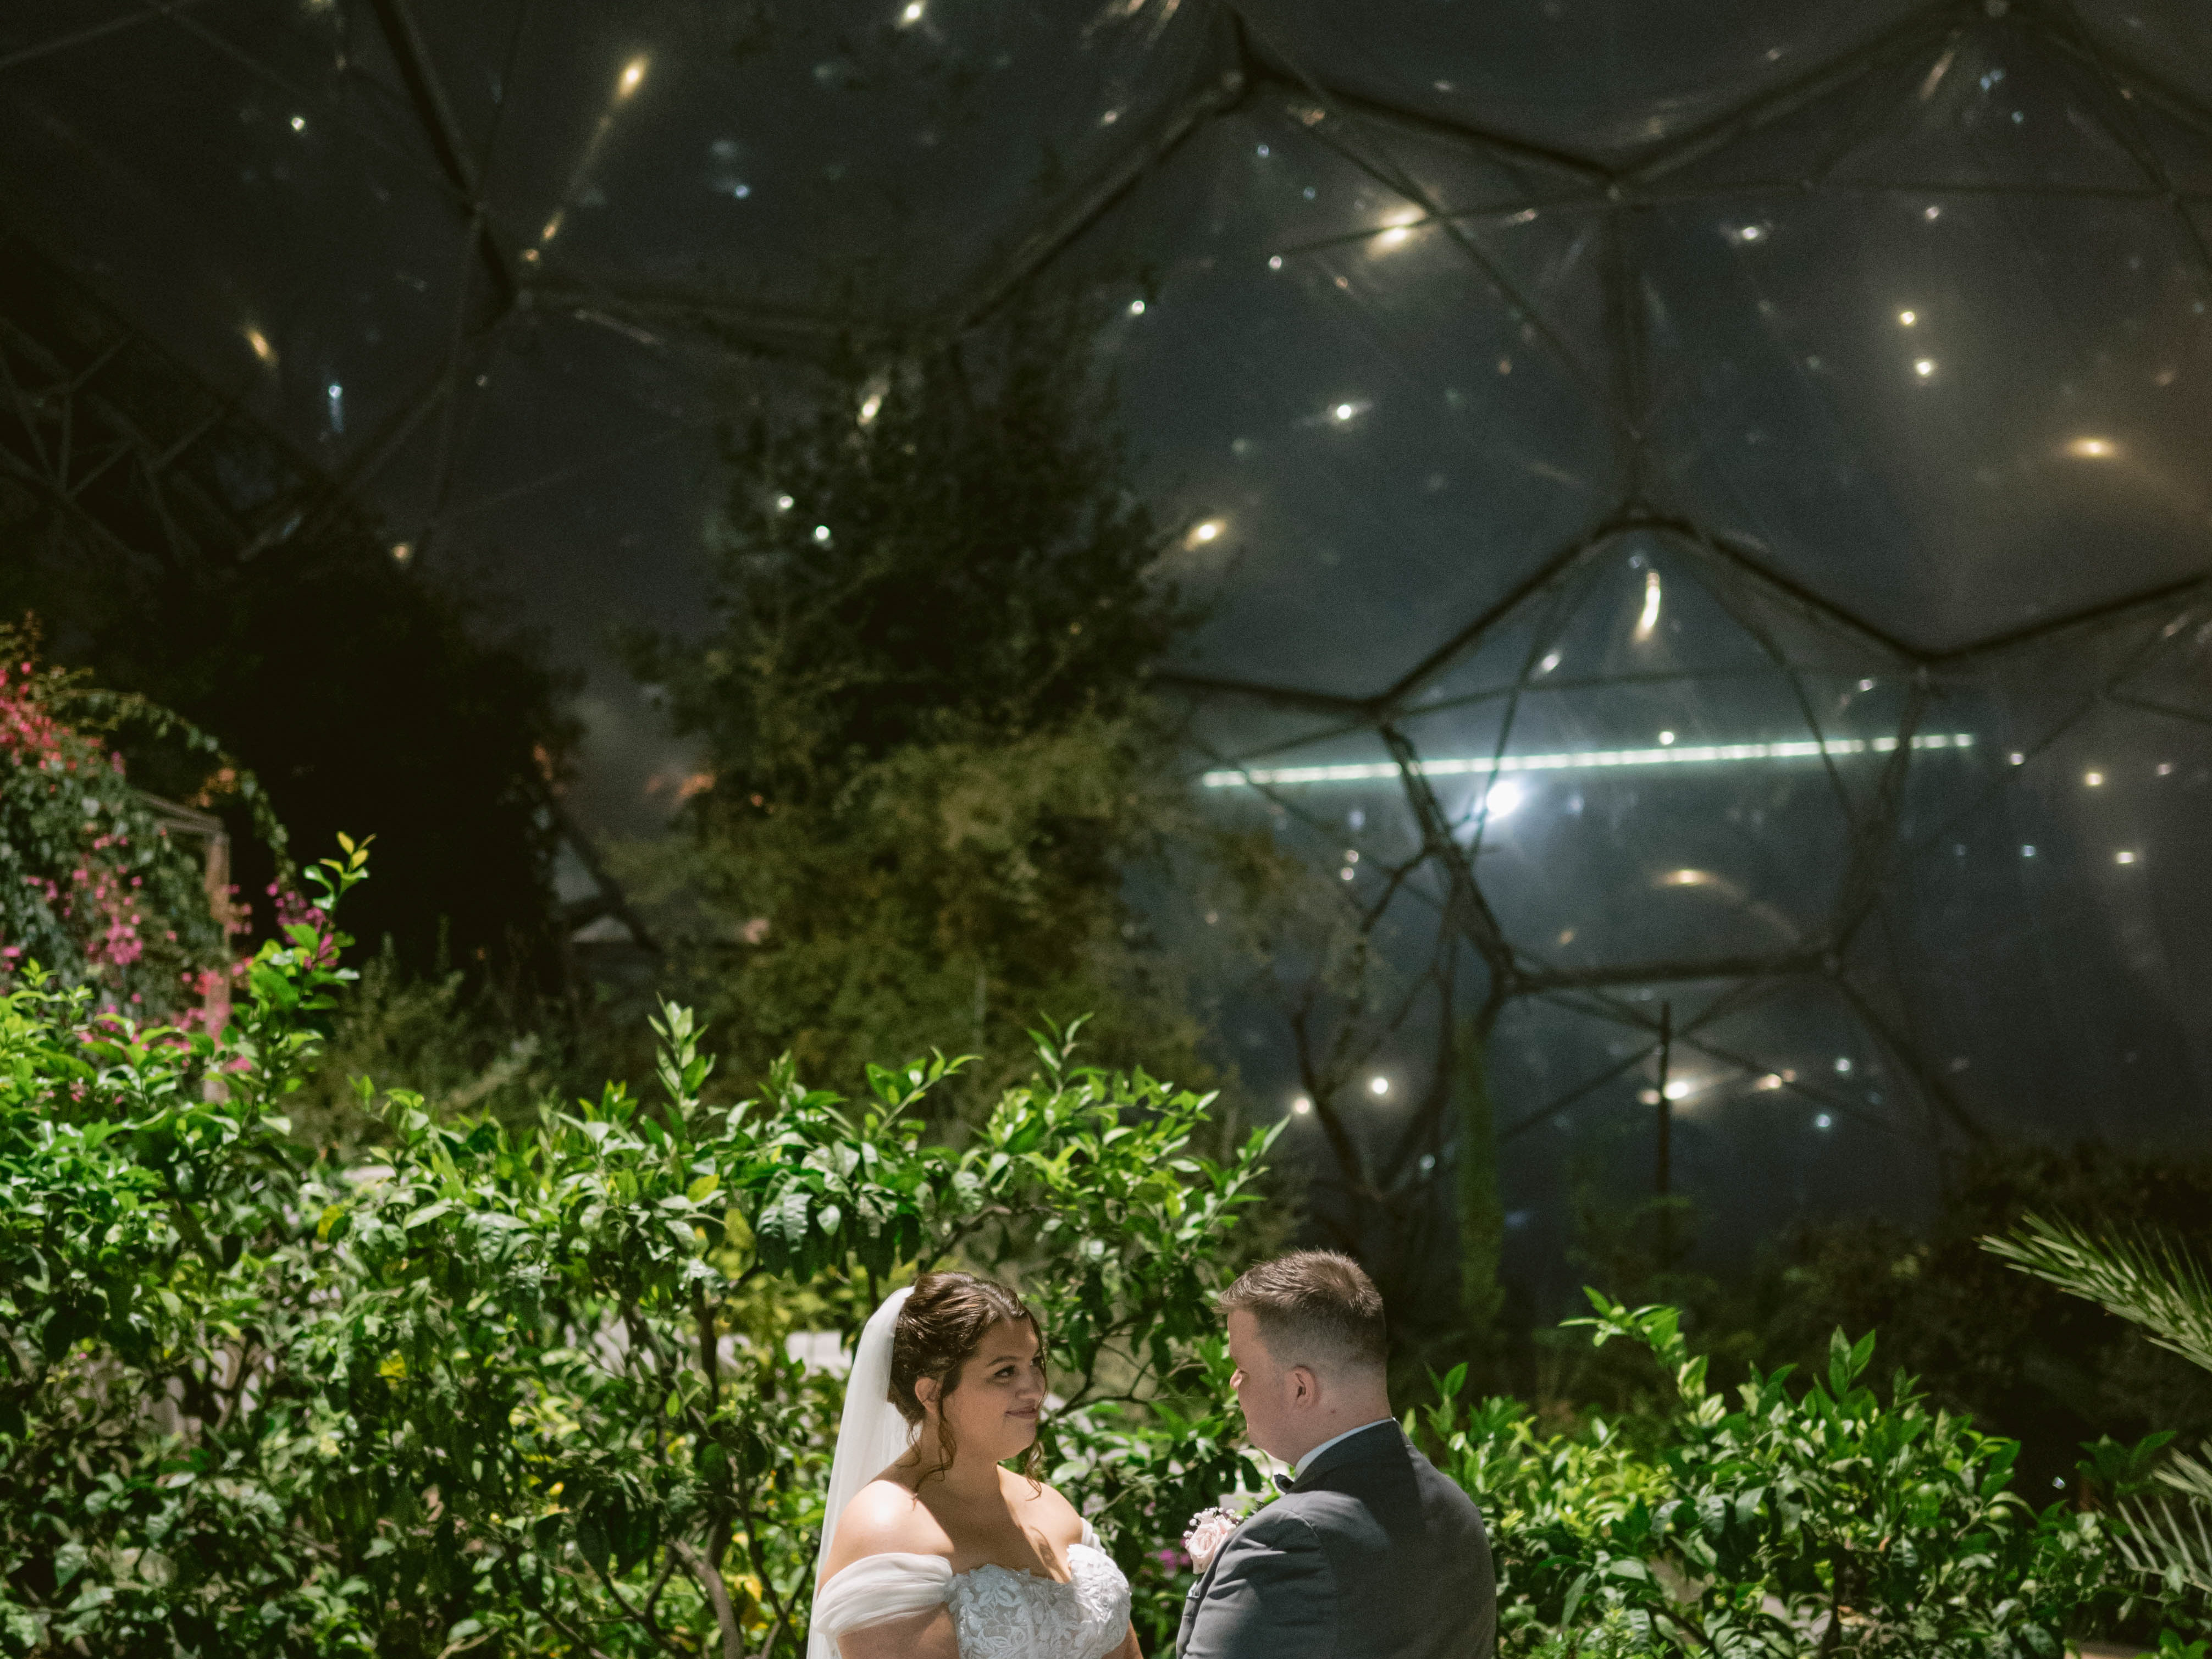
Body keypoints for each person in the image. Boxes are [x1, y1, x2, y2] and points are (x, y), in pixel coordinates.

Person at [1176, 1251, 1497, 1659]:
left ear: (1300, 1389)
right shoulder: (1458, 1509)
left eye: (1244, 1369)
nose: (1234, 1384)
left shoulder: (1290, 1538)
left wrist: (1213, 1570)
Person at [810, 1271, 1142, 1659]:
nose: (1035, 1388)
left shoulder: (1052, 1506)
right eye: (1005, 1372)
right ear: (932, 1393)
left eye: (1035, 1363)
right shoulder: (884, 1529)